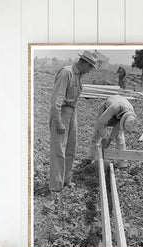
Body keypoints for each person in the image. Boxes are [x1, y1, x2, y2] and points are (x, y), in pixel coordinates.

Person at [49, 50, 97, 192]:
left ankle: (66, 180)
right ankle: (55, 186)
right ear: (84, 63)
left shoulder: (79, 76)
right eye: (90, 67)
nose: (89, 71)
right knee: (58, 150)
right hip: (62, 112)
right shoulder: (66, 73)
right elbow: (56, 101)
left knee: (71, 148)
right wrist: (58, 121)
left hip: (72, 112)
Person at [86, 95, 137, 168]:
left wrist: (109, 140)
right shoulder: (115, 107)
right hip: (106, 109)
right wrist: (104, 138)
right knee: (97, 134)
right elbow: (101, 123)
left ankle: (122, 163)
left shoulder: (131, 117)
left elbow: (117, 128)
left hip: (119, 114)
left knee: (119, 137)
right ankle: (90, 157)